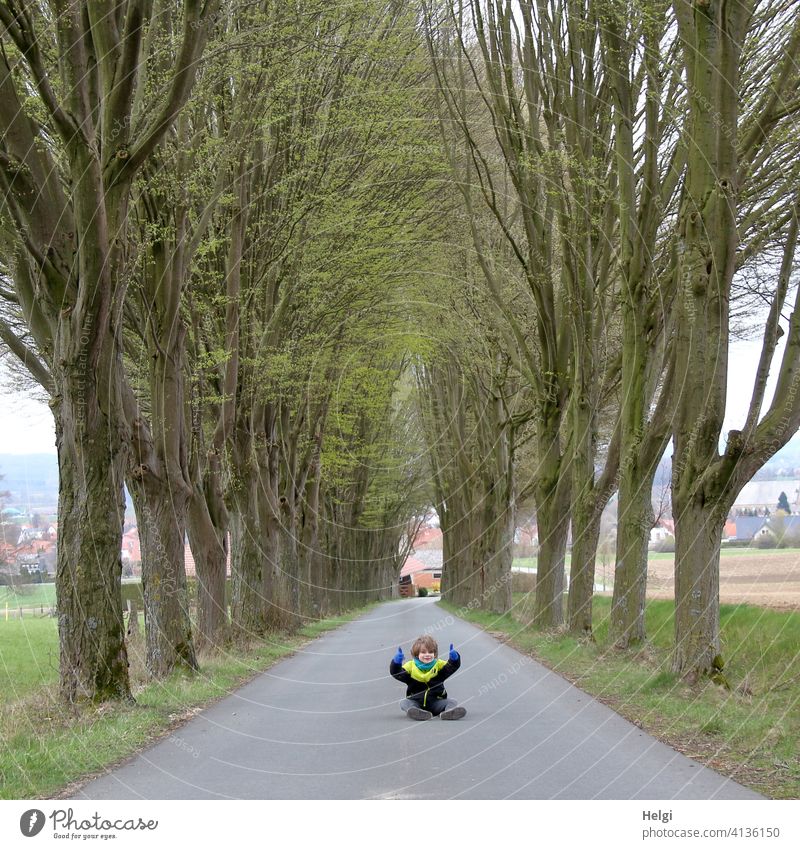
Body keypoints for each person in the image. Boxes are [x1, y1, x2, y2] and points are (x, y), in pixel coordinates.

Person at [389, 634, 466, 720]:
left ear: (434, 654)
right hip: (416, 701)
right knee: (404, 702)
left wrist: (454, 659)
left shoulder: (438, 665)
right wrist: (396, 663)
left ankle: (449, 712)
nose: (427, 655)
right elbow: (397, 673)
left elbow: (451, 667)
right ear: (417, 654)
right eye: (423, 652)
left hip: (436, 702)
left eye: (430, 652)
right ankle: (416, 712)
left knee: (452, 701)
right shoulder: (410, 666)